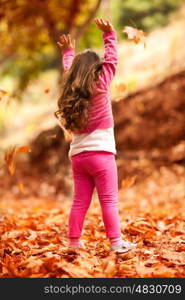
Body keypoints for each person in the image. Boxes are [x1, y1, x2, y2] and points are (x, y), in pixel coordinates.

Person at [55, 18, 136, 253]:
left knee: (79, 202)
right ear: (97, 69)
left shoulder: (73, 93)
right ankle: (116, 243)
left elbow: (71, 71)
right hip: (101, 155)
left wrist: (69, 52)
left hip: (79, 157)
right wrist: (109, 35)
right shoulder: (101, 84)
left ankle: (73, 242)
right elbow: (112, 60)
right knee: (109, 200)